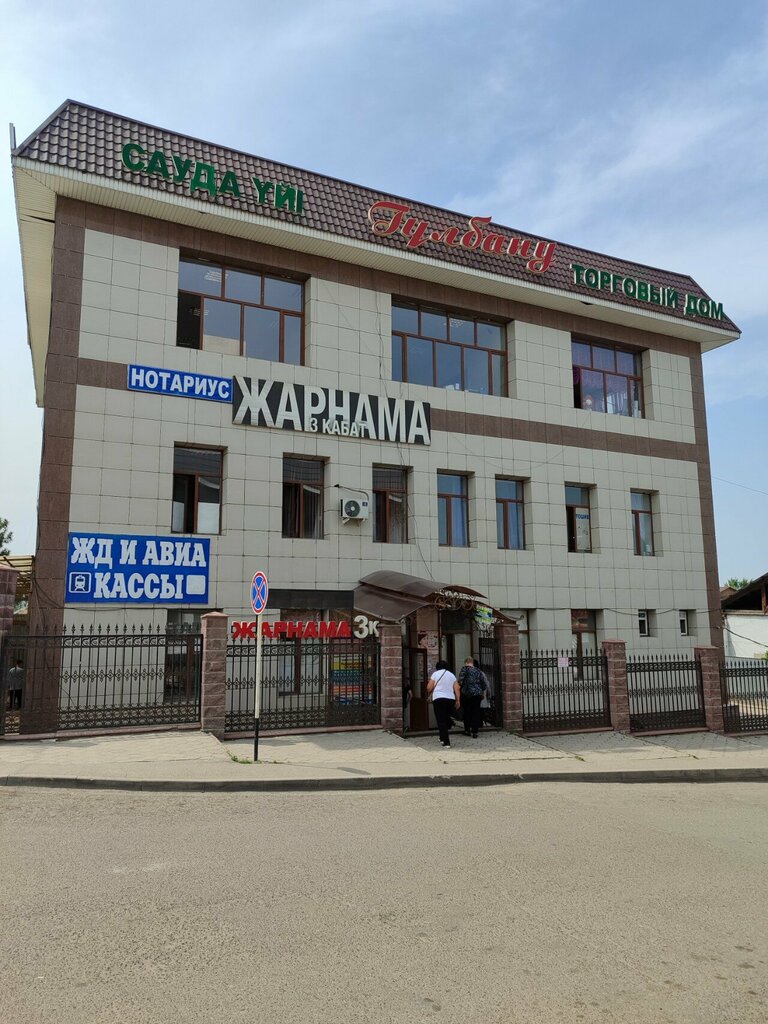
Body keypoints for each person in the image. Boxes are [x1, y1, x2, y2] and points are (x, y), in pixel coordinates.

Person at [426, 660, 460, 747]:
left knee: (441, 720)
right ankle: (442, 737)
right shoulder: (452, 675)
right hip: (450, 699)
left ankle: (446, 741)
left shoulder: (435, 674)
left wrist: (430, 690)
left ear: (437, 667)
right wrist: (458, 700)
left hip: (438, 698)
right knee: (446, 717)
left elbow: (429, 687)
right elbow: (457, 688)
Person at [457, 657, 488, 738]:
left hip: (467, 694)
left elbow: (460, 681)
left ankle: (467, 730)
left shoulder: (464, 669)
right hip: (477, 694)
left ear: (466, 662)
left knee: (467, 712)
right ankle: (475, 731)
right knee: (476, 712)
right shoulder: (478, 670)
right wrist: (481, 690)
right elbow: (483, 684)